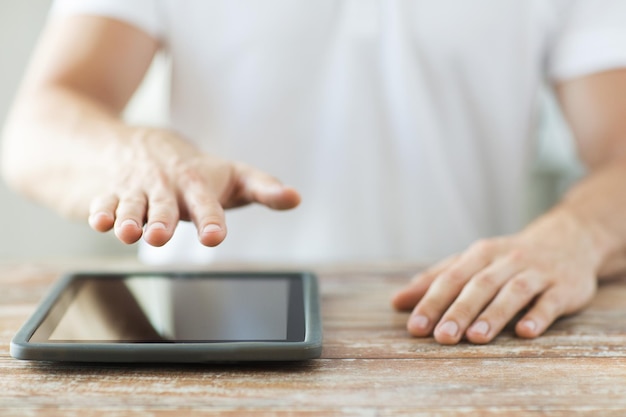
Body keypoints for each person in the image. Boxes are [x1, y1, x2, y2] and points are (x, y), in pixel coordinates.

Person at [3, 0, 626, 345]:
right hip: (193, 348)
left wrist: (578, 234)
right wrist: (134, 152)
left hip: (455, 336)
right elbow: (36, 126)